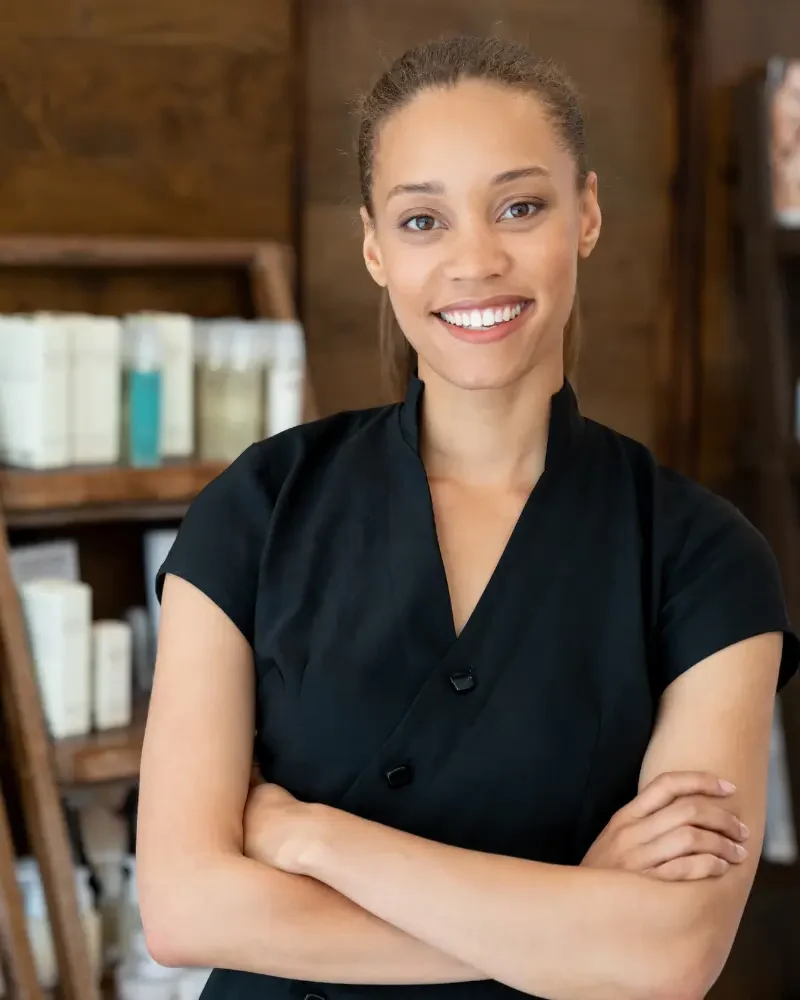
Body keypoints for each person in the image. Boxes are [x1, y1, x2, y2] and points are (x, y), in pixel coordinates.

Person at [137, 35, 799, 1000]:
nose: (476, 260)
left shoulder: (704, 559)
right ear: (373, 247)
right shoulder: (260, 506)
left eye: (521, 207)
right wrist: (580, 913)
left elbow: (672, 956)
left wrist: (312, 838)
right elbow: (186, 910)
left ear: (588, 216)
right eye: (422, 221)